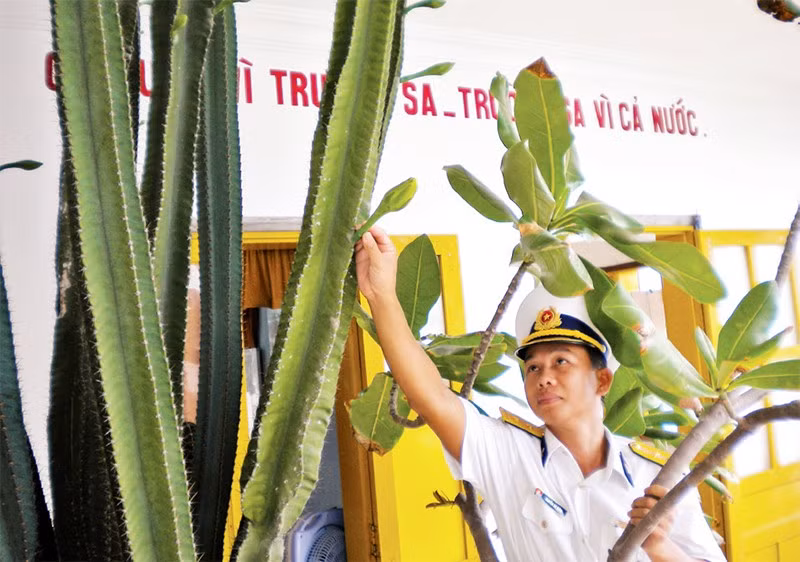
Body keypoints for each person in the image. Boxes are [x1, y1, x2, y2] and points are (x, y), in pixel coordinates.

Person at [355, 226, 726, 562]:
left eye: (561, 362)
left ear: (602, 382)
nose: (543, 378)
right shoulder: (508, 454)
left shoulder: (656, 474)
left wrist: (660, 546)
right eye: (533, 367)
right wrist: (382, 295)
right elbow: (432, 398)